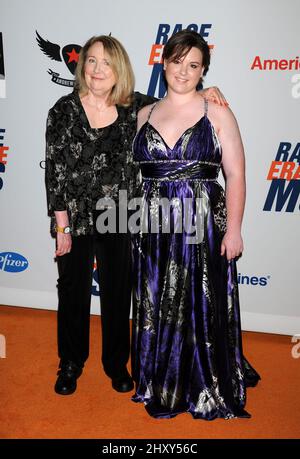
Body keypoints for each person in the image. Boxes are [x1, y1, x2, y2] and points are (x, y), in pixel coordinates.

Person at [45, 34, 227, 396]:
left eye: (107, 62)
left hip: (122, 215)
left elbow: (176, 100)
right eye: (92, 61)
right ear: (83, 66)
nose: (98, 69)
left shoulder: (136, 109)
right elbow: (55, 171)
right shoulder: (62, 110)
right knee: (73, 292)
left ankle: (116, 364)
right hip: (76, 218)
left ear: (119, 69)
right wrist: (61, 226)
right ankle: (70, 363)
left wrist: (207, 92)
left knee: (117, 293)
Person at [131, 30, 260, 420]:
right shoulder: (144, 114)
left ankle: (205, 382)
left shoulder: (217, 111)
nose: (183, 72)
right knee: (158, 301)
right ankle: (160, 378)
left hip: (202, 222)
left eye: (193, 65)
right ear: (163, 62)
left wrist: (234, 229)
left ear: (203, 70)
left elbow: (235, 174)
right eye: (176, 62)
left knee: (199, 300)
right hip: (153, 224)